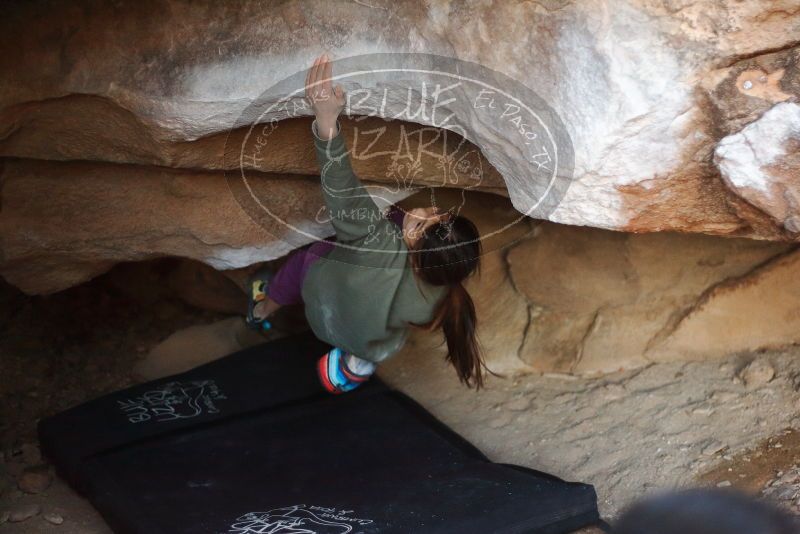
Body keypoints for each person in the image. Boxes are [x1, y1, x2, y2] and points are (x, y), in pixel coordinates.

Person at [246, 53, 490, 394]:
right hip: (373, 340)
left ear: (418, 254)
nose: (424, 212)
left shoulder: (376, 241)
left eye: (421, 226)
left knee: (307, 258)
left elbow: (342, 188)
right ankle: (358, 364)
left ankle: (262, 308)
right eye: (440, 215)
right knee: (376, 318)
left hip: (326, 316)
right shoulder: (444, 290)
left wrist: (326, 118)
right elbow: (412, 247)